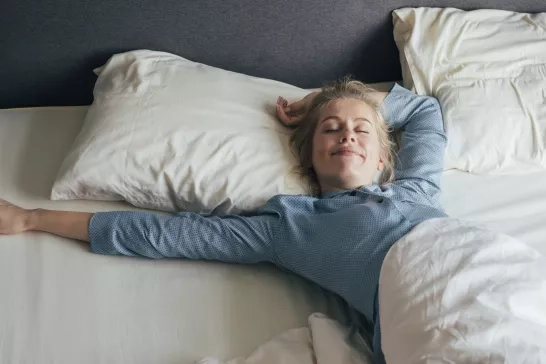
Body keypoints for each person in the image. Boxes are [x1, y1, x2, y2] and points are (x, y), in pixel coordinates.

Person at [0, 77, 447, 363]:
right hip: (433, 315)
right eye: (330, 129)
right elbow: (170, 235)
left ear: (385, 156)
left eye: (362, 129)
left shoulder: (418, 188)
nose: (347, 133)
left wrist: (321, 100)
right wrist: (32, 218)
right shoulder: (290, 228)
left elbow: (425, 111)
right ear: (310, 155)